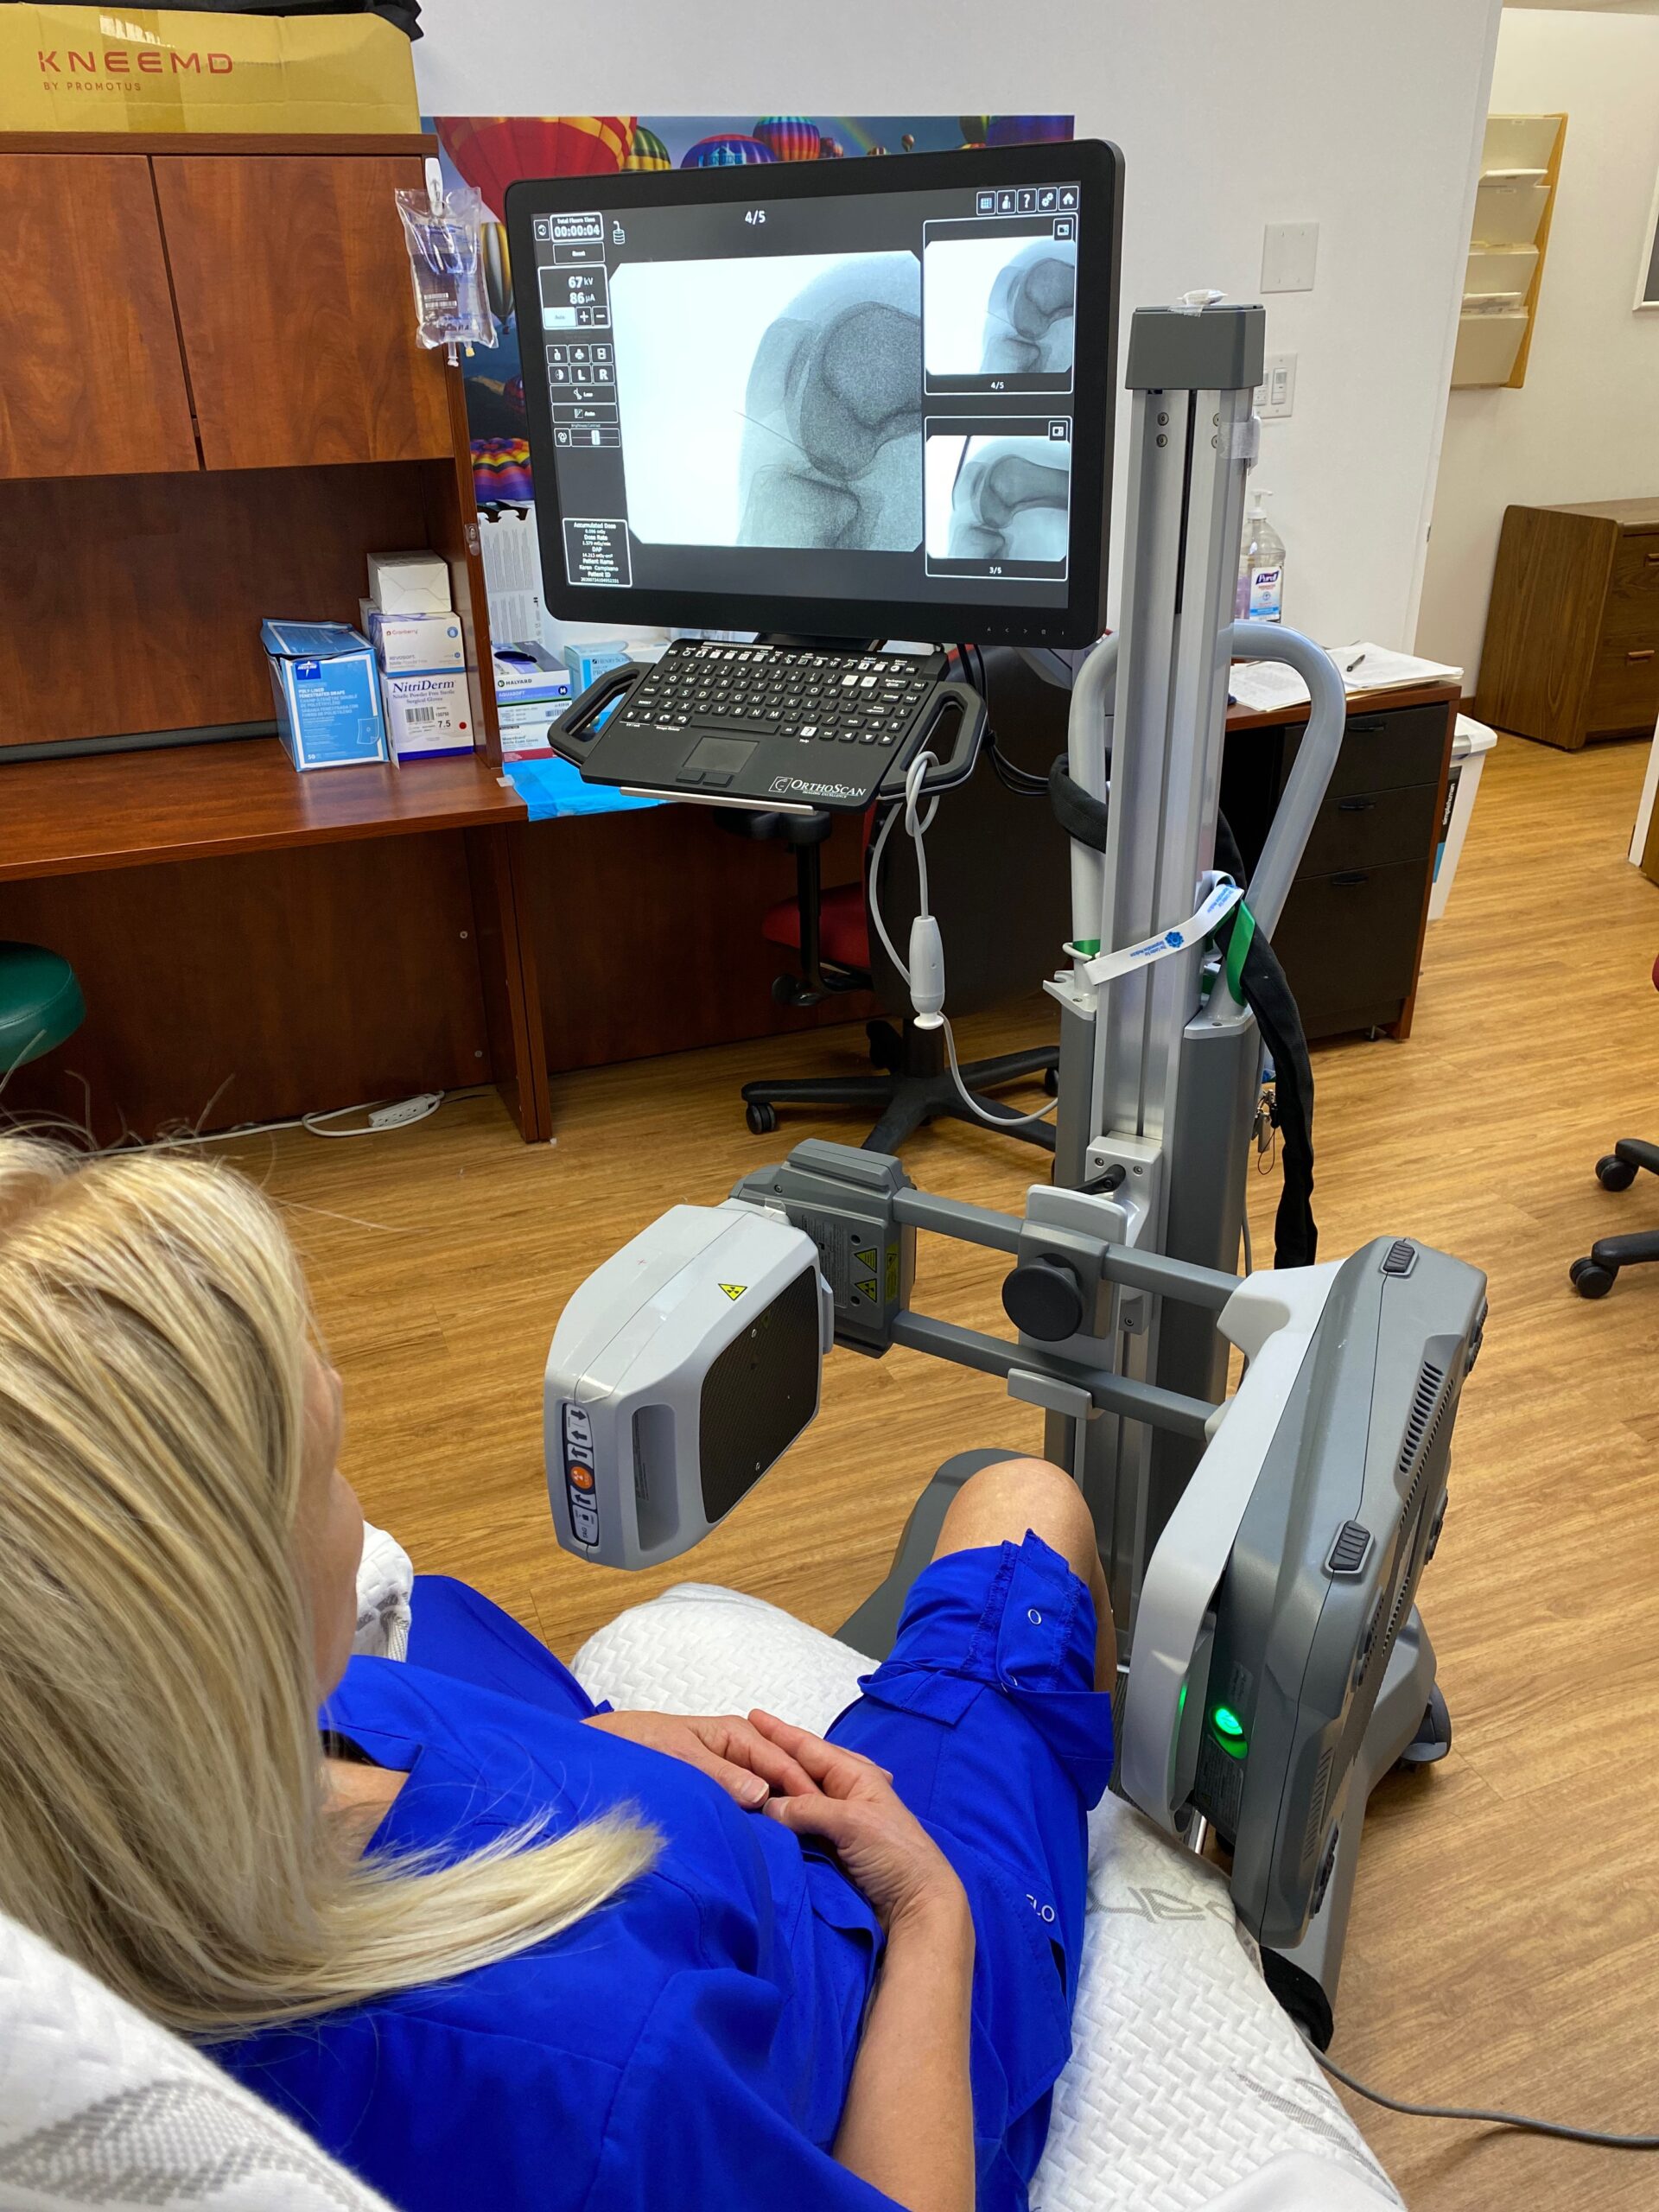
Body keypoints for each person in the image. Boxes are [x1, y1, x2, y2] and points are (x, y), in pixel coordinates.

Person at [0, 1137, 1116, 2212]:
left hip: (654, 1830)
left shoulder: (135, 1779)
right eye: (331, 1462)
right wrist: (930, 1916)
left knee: (442, 1617)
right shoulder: (601, 2081)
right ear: (216, 1622)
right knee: (1023, 1503)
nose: (359, 1507)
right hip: (871, 1993)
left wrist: (595, 1745)